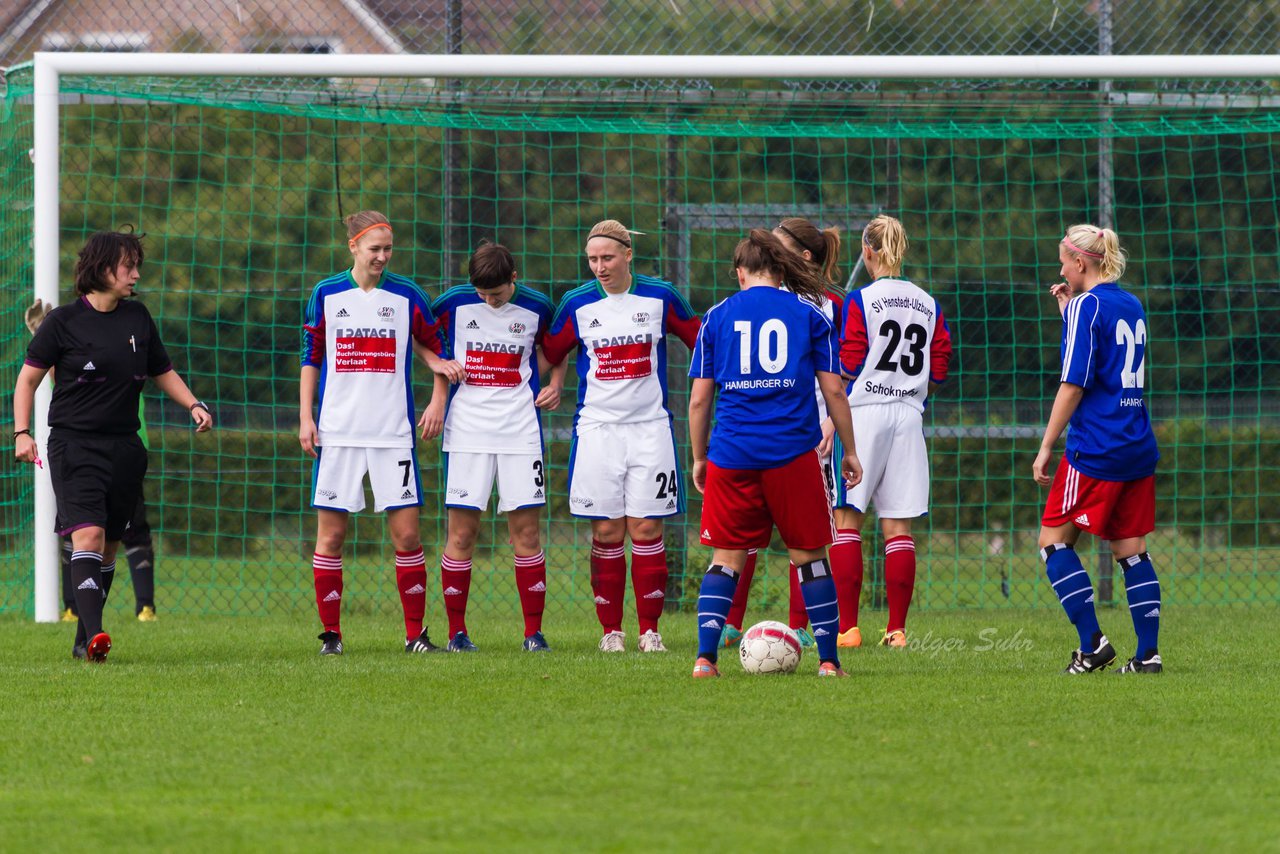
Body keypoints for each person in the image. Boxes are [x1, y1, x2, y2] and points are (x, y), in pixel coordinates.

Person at [13, 229, 213, 662]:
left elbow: (163, 370)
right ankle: (98, 638)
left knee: (108, 548)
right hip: (73, 446)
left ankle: (83, 639)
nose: (136, 274)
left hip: (125, 449)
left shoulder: (138, 318)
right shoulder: (62, 322)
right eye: (129, 266)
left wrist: (193, 404)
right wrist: (22, 433)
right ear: (104, 269)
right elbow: (27, 379)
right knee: (88, 533)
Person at [687, 229, 862, 678]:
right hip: (792, 454)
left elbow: (698, 401)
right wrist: (850, 451)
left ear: (740, 273)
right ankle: (829, 662)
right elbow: (834, 392)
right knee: (810, 558)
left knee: (726, 559)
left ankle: (705, 660)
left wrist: (699, 456)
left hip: (732, 454)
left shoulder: (717, 315)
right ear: (781, 270)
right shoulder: (810, 314)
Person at [299, 210, 462, 657]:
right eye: (375, 249)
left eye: (388, 249)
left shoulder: (406, 294)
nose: (383, 257)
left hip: (393, 435)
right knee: (330, 538)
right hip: (339, 434)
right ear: (352, 246)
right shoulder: (327, 293)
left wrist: (436, 395)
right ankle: (331, 636)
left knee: (407, 537)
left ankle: (415, 635)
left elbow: (434, 347)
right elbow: (310, 355)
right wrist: (306, 418)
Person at [542, 219, 701, 653]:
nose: (599, 266)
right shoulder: (576, 303)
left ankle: (650, 631)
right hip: (597, 431)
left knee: (648, 528)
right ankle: (611, 632)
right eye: (592, 259)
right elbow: (551, 349)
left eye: (607, 257)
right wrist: (555, 381)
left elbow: (700, 337)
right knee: (607, 532)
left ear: (628, 255)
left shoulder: (660, 296)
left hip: (651, 430)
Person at [1033, 225, 1162, 675]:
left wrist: (1047, 445)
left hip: (1097, 448)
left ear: (1081, 264)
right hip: (1136, 445)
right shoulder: (1130, 303)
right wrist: (1071, 314)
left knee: (1053, 543)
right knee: (1131, 550)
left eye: (1064, 261)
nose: (1061, 268)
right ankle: (1148, 656)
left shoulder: (1087, 306)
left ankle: (1093, 646)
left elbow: (1074, 384)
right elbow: (1108, 354)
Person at [428, 242, 566, 652]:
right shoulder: (452, 304)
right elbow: (426, 341)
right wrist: (438, 390)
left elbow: (556, 347)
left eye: (498, 294)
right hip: (467, 432)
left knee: (525, 534)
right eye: (483, 295)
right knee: (462, 535)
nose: (490, 301)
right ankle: (457, 634)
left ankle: (533, 634)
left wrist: (554, 383)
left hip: (520, 432)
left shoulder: (538, 306)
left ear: (514, 279)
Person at [717, 217, 846, 651]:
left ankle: (801, 627)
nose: (769, 250)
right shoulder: (770, 301)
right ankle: (732, 621)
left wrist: (830, 424)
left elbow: (839, 377)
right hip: (775, 429)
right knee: (750, 534)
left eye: (778, 245)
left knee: (804, 539)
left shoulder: (823, 306)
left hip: (805, 430)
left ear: (801, 257)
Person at [835, 214, 952, 648]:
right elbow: (939, 363)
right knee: (898, 526)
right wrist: (912, 391)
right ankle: (896, 629)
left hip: (862, 412)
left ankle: (848, 628)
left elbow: (849, 361)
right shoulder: (928, 302)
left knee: (847, 520)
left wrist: (833, 414)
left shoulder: (860, 299)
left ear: (868, 251)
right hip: (908, 414)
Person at [26, 298, 160, 623]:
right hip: (80, 450)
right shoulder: (80, 335)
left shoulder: (132, 342)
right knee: (81, 528)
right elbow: (73, 380)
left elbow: (160, 369)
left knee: (127, 529)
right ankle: (76, 611)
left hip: (125, 449)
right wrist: (42, 334)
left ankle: (145, 606)